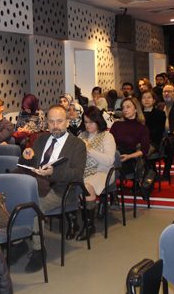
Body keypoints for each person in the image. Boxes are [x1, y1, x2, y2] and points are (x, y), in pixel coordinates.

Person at [18, 105, 87, 273]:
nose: (55, 126)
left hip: (61, 189)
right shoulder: (40, 139)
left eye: (59, 121)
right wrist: (26, 157)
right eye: (51, 122)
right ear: (46, 123)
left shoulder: (77, 145)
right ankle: (18, 243)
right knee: (13, 201)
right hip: (35, 184)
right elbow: (28, 163)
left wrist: (53, 173)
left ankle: (38, 250)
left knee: (33, 207)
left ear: (67, 122)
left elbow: (77, 174)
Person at [76, 106, 116, 241]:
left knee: (86, 186)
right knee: (71, 181)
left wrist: (89, 150)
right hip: (84, 170)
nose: (88, 125)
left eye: (91, 122)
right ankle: (73, 222)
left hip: (103, 171)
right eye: (86, 122)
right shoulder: (82, 135)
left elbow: (109, 161)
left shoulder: (107, 136)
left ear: (98, 121)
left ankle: (89, 226)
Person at [109, 97, 151, 177]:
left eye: (128, 107)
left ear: (136, 109)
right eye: (123, 107)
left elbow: (144, 150)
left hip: (130, 158)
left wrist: (129, 156)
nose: (125, 110)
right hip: (113, 154)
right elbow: (109, 142)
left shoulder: (142, 128)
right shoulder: (117, 125)